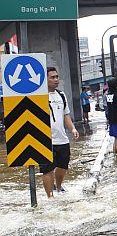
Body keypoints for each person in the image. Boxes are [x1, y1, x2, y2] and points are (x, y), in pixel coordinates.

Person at [41, 67, 79, 197]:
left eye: (57, 77)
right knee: (47, 169)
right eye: (52, 77)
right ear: (45, 79)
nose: (56, 79)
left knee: (63, 167)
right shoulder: (39, 97)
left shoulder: (61, 95)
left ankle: (58, 186)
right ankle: (50, 197)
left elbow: (66, 116)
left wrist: (73, 129)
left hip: (62, 139)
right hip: (46, 140)